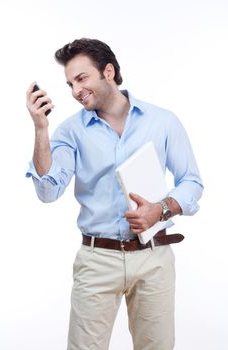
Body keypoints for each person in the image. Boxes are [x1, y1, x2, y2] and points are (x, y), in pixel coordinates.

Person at [26, 38, 203, 350]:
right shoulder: (70, 131)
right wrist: (41, 129)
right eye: (69, 83)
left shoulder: (162, 121)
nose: (75, 91)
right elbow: (48, 190)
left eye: (82, 79)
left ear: (108, 71)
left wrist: (160, 209)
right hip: (97, 260)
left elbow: (191, 182)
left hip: (154, 258)